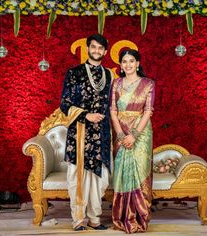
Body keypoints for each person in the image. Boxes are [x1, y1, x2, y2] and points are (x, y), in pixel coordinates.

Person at [60, 34, 112, 231]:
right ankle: (78, 220)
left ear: (105, 52)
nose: (96, 50)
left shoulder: (110, 75)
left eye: (100, 48)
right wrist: (86, 115)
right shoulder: (74, 73)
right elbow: (64, 104)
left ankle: (95, 219)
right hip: (80, 132)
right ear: (88, 48)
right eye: (93, 47)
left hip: (102, 135)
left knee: (101, 178)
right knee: (78, 177)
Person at [110, 49, 155, 234]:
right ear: (120, 65)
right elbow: (112, 110)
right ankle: (122, 217)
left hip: (141, 133)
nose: (128, 65)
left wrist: (134, 135)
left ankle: (140, 217)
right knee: (122, 172)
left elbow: (148, 111)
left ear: (138, 63)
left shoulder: (148, 84)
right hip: (121, 131)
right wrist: (121, 134)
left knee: (140, 170)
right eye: (124, 61)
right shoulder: (116, 83)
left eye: (131, 61)